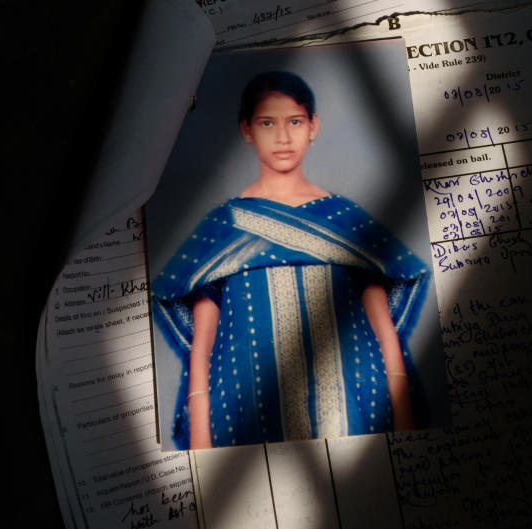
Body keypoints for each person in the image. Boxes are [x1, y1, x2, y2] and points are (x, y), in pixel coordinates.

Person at [151, 71, 430, 449]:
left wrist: (403, 417)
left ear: (313, 126)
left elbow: (382, 328)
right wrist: (201, 446)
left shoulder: (344, 219)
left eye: (294, 122)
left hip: (356, 409)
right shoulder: (224, 227)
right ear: (247, 129)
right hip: (244, 414)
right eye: (268, 123)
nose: (282, 137)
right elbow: (203, 347)